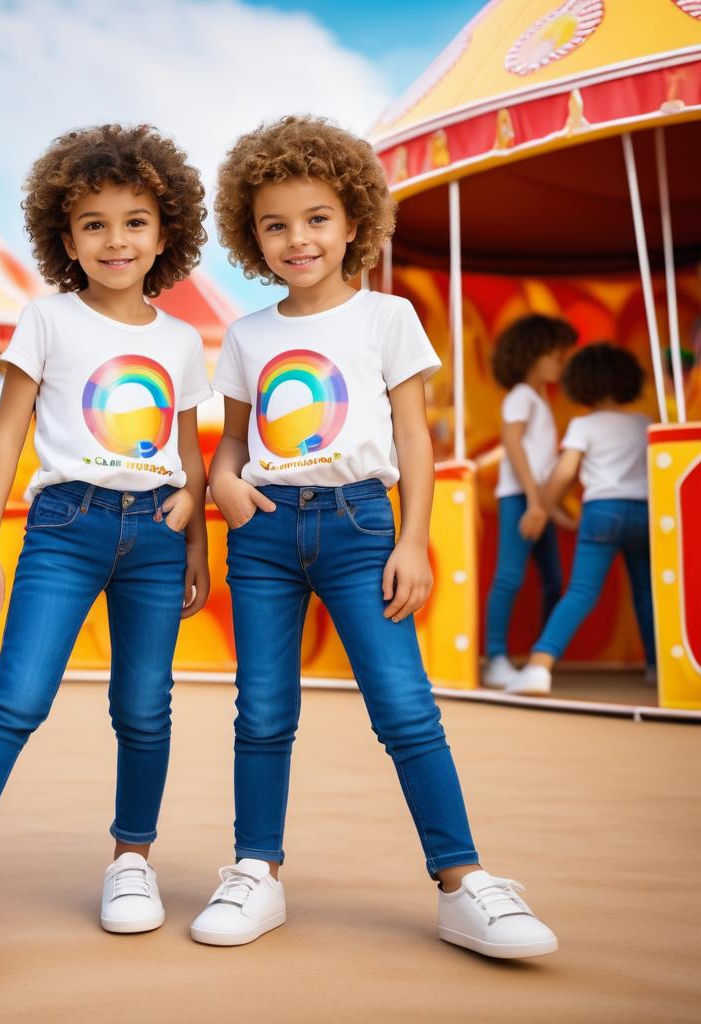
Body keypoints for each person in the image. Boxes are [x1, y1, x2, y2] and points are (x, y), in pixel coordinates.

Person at [198, 115, 557, 958]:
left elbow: (415, 438)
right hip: (262, 534)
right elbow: (231, 444)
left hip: (363, 526)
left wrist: (414, 540)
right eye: (274, 224)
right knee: (263, 711)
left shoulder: (388, 318)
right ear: (251, 237)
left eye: (317, 217)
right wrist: (222, 485)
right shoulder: (247, 335)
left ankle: (464, 881)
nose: (297, 238)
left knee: (404, 707)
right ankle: (255, 870)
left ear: (355, 219)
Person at [0, 124, 212, 943]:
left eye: (135, 221)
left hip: (156, 534)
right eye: (94, 223)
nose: (116, 240)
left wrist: (197, 541)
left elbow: (188, 449)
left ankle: (132, 861)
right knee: (18, 693)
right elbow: (6, 434)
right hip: (63, 525)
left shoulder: (183, 341)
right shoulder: (45, 320)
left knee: (145, 707)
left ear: (167, 232)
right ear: (64, 237)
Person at [509, 344, 655, 694]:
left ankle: (540, 667)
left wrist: (544, 507)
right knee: (649, 593)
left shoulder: (583, 425)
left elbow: (563, 474)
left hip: (602, 512)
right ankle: (657, 667)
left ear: (582, 384)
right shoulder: (644, 423)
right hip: (646, 513)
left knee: (581, 592)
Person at [483, 315, 577, 688]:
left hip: (535, 500)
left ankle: (541, 657)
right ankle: (496, 657)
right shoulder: (522, 395)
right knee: (509, 576)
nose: (560, 361)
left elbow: (540, 461)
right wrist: (536, 504)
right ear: (531, 354)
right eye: (554, 354)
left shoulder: (538, 399)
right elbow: (513, 444)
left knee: (553, 580)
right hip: (520, 498)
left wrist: (549, 508)